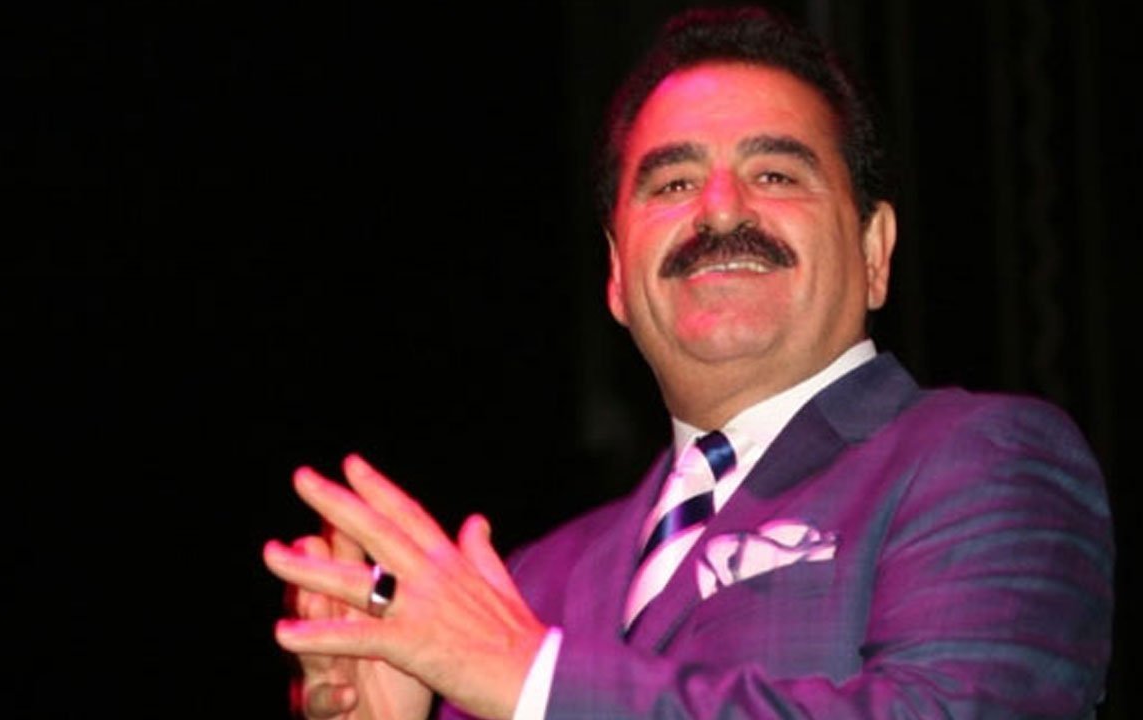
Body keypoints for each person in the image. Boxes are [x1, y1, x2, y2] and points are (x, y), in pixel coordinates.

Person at [263, 6, 1114, 718]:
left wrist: (534, 678)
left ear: (875, 250)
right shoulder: (533, 583)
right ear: (616, 275)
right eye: (672, 184)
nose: (720, 210)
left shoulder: (982, 458)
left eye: (775, 173)